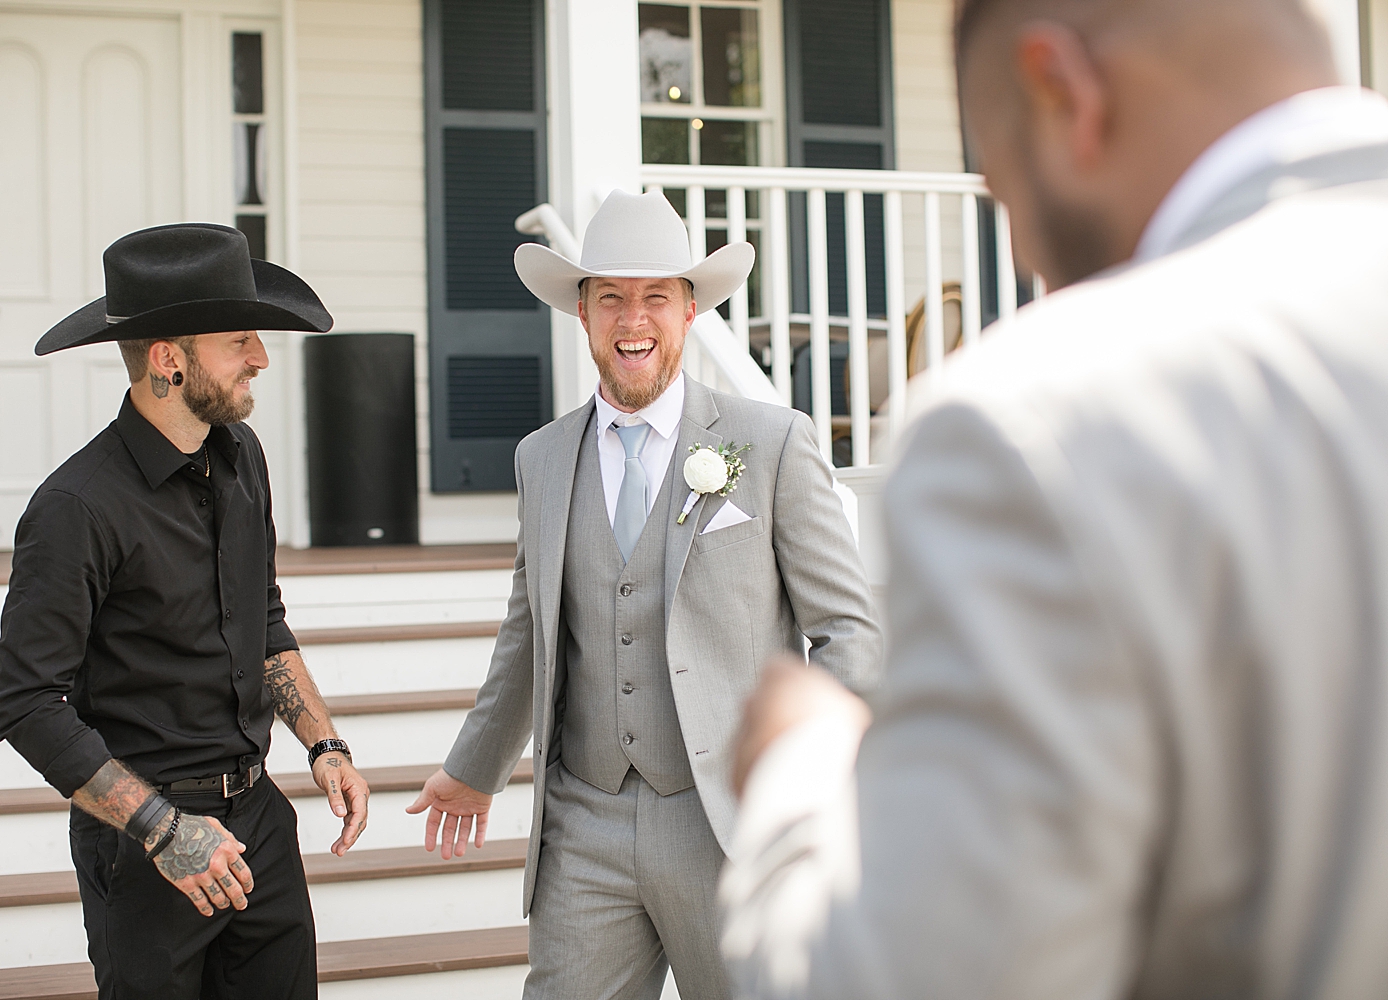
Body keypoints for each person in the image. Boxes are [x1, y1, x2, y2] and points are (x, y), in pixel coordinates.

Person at [722, 0, 1388, 997]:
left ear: (1063, 92)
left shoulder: (1043, 426)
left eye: (998, 187)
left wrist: (801, 764)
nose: (1027, 247)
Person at [406, 190, 882, 1000]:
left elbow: (847, 631)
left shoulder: (768, 443)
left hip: (729, 824)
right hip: (584, 821)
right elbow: (530, 631)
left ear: (689, 310)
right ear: (583, 314)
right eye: (611, 297)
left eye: (656, 296)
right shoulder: (542, 458)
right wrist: (474, 766)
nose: (635, 318)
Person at [0, 223, 370, 998]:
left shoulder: (242, 457)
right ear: (169, 360)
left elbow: (261, 619)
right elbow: (26, 704)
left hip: (259, 818)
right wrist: (166, 832)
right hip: (146, 841)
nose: (261, 357)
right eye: (239, 340)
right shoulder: (76, 507)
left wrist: (324, 743)